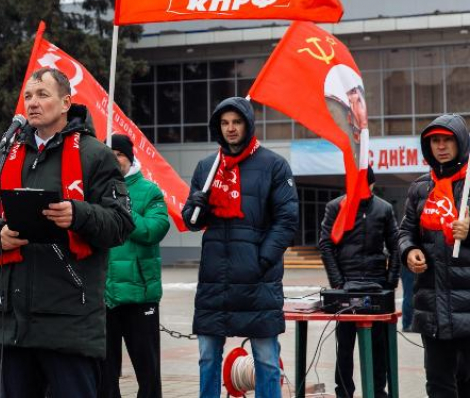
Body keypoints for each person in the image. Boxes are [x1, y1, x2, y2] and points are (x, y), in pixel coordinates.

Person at [0, 67, 135, 398]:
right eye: (28, 96)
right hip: (10, 324)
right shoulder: (7, 153)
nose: (32, 103)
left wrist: (79, 214)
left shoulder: (94, 154)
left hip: (68, 323)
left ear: (65, 103)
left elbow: (121, 224)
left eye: (43, 95)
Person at [181, 97, 298, 398]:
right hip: (214, 280)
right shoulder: (208, 167)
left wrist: (260, 260)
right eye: (224, 123)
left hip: (258, 281)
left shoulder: (274, 165)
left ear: (247, 124)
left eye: (236, 122)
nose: (231, 128)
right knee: (208, 357)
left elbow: (287, 221)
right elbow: (193, 222)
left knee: (267, 360)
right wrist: (194, 207)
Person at [397, 115, 470, 397]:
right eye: (435, 141)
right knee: (438, 384)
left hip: (467, 305)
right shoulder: (420, 188)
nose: (441, 146)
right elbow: (405, 233)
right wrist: (409, 250)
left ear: (460, 142)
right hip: (433, 305)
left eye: (447, 139)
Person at [99, 134, 170, 398]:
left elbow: (153, 230)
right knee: (105, 376)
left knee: (148, 374)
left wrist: (123, 206)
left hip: (140, 296)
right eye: (110, 154)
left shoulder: (149, 191)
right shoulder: (96, 190)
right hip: (104, 297)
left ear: (130, 157)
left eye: (119, 153)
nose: (115, 159)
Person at [318, 166, 399, 398]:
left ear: (372, 185)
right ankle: (344, 392)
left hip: (377, 286)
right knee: (344, 346)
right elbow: (326, 244)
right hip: (346, 286)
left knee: (378, 346)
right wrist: (338, 282)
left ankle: (377, 392)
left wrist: (390, 283)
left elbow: (395, 246)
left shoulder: (384, 209)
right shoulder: (336, 207)